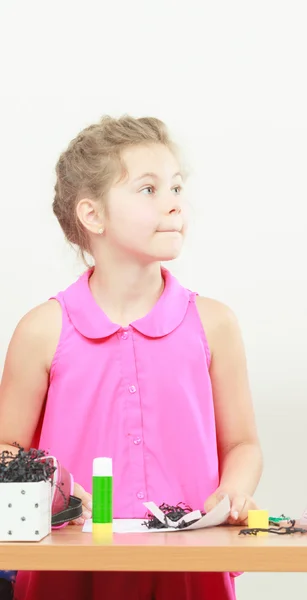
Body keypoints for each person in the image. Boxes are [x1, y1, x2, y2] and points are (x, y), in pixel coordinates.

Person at [0, 115, 263, 599]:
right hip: (68, 567)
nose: (174, 204)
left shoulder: (215, 324)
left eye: (177, 187)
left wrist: (233, 491)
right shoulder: (41, 330)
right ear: (92, 215)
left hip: (190, 566)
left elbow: (243, 444)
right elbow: (5, 448)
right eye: (148, 189)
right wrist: (54, 488)